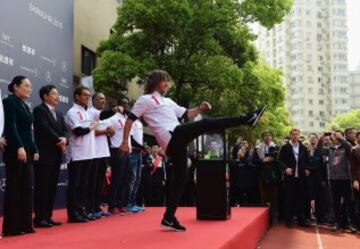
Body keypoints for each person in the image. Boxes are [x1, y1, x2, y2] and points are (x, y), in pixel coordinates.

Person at [119, 69, 265, 231]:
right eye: (164, 81)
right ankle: (247, 119)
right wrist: (125, 141)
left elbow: (187, 114)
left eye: (167, 81)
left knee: (182, 179)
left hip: (178, 141)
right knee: (207, 124)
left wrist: (200, 108)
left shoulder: (168, 101)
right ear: (155, 82)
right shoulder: (145, 100)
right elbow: (130, 120)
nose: (167, 84)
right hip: (173, 136)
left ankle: (168, 217)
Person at [2, 76, 39, 236]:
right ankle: (12, 227)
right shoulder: (9, 102)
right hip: (15, 152)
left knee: (26, 188)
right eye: (26, 86)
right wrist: (19, 147)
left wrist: (34, 149)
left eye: (30, 86)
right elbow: (11, 126)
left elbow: (28, 131)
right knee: (15, 188)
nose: (29, 89)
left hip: (27, 151)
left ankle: (25, 224)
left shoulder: (24, 105)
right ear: (16, 87)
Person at [33, 85, 68, 228]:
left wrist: (64, 139)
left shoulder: (59, 113)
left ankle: (48, 216)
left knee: (52, 187)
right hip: (44, 155)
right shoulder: (39, 110)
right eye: (54, 94)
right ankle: (40, 218)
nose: (57, 96)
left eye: (57, 94)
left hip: (56, 155)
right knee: (42, 187)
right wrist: (59, 141)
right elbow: (44, 128)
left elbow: (64, 130)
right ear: (45, 96)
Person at [65, 87, 99, 223]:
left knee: (84, 184)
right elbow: (78, 131)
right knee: (75, 184)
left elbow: (101, 116)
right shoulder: (72, 112)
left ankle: (81, 210)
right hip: (77, 154)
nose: (87, 97)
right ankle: (73, 214)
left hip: (89, 153)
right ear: (77, 96)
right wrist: (91, 127)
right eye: (85, 95)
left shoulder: (88, 112)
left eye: (89, 95)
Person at [319, 131, 357, 232]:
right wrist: (320, 139)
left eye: (338, 136)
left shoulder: (346, 148)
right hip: (333, 180)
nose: (335, 137)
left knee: (349, 202)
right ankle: (337, 223)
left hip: (345, 179)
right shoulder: (330, 149)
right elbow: (320, 151)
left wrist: (339, 137)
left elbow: (348, 145)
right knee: (335, 202)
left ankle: (351, 224)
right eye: (334, 136)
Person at [87, 93, 114, 218]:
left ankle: (97, 206)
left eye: (104, 98)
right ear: (94, 101)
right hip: (94, 152)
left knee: (100, 181)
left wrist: (110, 130)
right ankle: (90, 208)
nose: (103, 101)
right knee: (92, 181)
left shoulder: (105, 116)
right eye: (100, 99)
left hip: (104, 151)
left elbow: (109, 129)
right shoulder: (91, 112)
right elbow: (93, 131)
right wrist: (105, 131)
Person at [277, 128, 311, 228]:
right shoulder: (285, 147)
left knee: (301, 199)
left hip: (300, 178)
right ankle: (289, 220)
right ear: (290, 135)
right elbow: (279, 160)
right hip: (289, 178)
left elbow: (307, 161)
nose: (295, 136)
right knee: (289, 199)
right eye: (293, 134)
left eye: (297, 134)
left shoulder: (303, 147)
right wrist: (285, 168)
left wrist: (307, 169)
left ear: (299, 135)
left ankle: (301, 220)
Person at [107, 96, 132, 215]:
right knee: (116, 178)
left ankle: (120, 203)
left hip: (127, 151)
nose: (126, 106)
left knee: (125, 179)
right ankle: (112, 205)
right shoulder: (113, 118)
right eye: (123, 103)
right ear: (118, 105)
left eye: (127, 104)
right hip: (117, 150)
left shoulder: (128, 118)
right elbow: (106, 130)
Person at [253, 131, 280, 225]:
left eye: (269, 135)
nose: (267, 137)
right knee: (263, 197)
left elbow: (280, 160)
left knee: (274, 197)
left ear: (271, 137)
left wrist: (274, 159)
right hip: (262, 175)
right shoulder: (258, 148)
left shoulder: (276, 147)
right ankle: (263, 218)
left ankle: (274, 217)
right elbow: (254, 161)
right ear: (262, 138)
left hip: (274, 175)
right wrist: (263, 160)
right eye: (265, 136)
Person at [350, 132, 360, 230]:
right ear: (357, 138)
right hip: (358, 179)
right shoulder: (354, 149)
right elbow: (352, 167)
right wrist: (355, 180)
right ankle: (356, 224)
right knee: (358, 204)